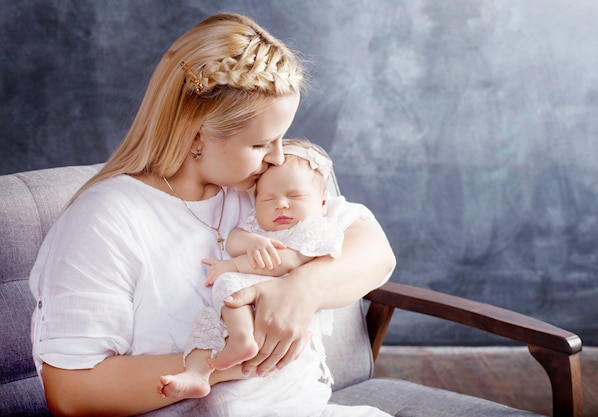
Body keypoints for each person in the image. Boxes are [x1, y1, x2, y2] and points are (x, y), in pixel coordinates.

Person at [29, 12, 395, 417]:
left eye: (280, 138)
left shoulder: (262, 188)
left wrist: (304, 289)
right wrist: (225, 363)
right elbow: (71, 393)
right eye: (260, 144)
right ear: (197, 133)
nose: (277, 156)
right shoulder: (106, 221)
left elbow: (374, 248)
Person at [157, 140, 350, 401]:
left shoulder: (315, 229)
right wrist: (252, 241)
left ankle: (241, 340)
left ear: (323, 203)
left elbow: (286, 262)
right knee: (206, 323)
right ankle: (197, 374)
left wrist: (233, 265)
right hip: (238, 312)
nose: (281, 204)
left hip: (277, 316)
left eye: (294, 196)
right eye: (268, 198)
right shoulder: (261, 227)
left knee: (227, 282)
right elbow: (235, 239)